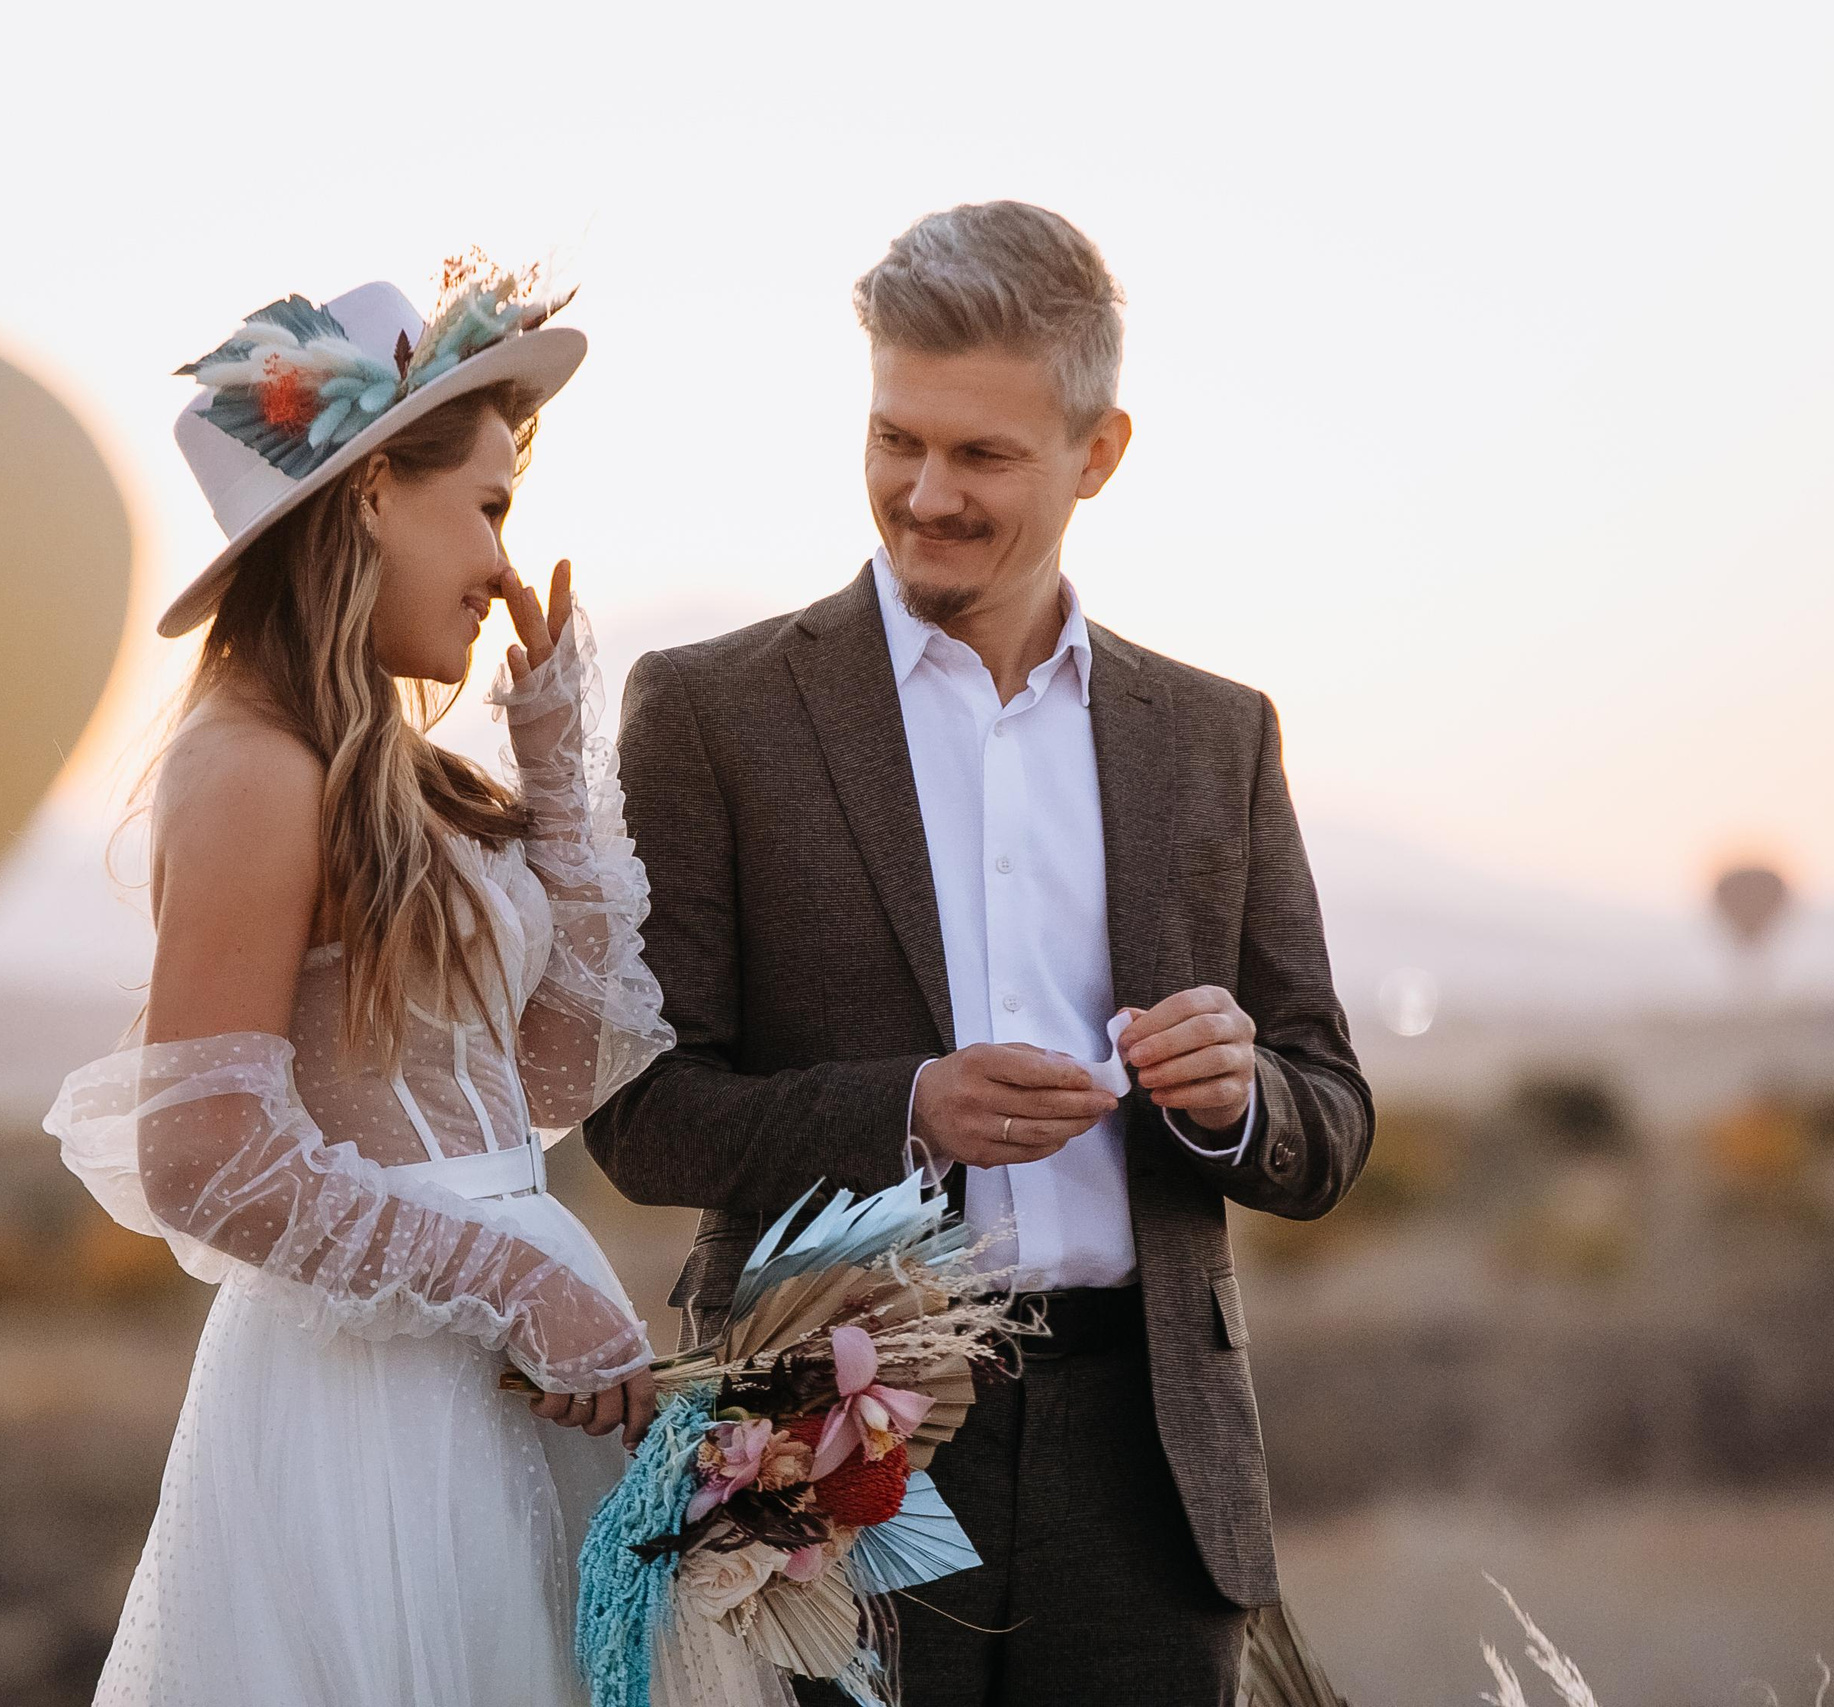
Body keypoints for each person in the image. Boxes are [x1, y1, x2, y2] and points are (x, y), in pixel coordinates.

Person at [586, 202, 1374, 1705]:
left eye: (983, 456)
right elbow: (640, 1116)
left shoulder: (1215, 735)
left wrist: (1240, 1098)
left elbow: (1327, 1114)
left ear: (1099, 453)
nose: (926, 493)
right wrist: (908, 1112)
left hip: (1152, 1482)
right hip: (820, 1476)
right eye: (897, 439)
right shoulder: (709, 713)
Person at [45, 268, 670, 1706]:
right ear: (375, 491)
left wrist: (555, 778)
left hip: (505, 1370)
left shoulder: (399, 781)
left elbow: (550, 1081)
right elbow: (201, 1154)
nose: (504, 564)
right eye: (490, 508)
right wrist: (515, 1282)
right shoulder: (249, 767)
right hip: (379, 1411)